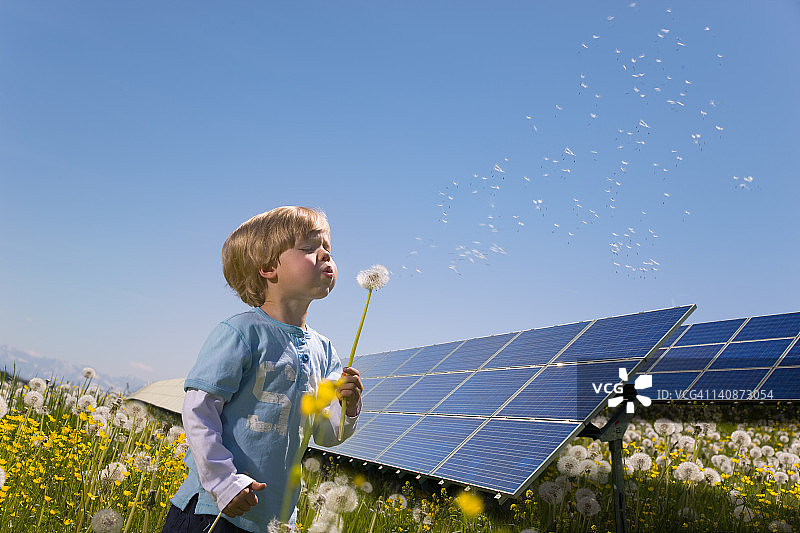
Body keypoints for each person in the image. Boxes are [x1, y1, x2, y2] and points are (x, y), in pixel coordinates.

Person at [162, 206, 362, 533]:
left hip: (272, 521)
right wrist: (223, 482)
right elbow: (199, 411)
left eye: (329, 248)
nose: (325, 254)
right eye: (310, 248)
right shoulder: (241, 333)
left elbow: (327, 434)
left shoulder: (325, 351)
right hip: (214, 511)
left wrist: (348, 408)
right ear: (268, 268)